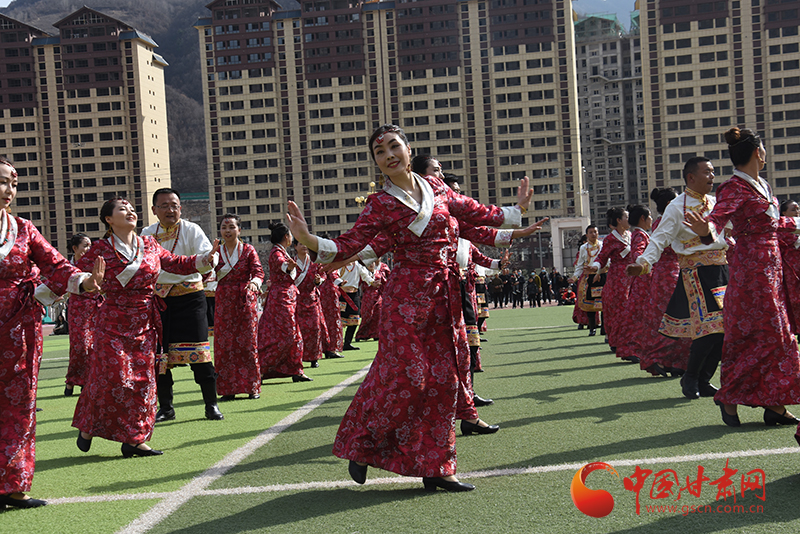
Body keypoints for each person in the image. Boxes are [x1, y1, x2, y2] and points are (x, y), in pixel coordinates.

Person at [286, 123, 534, 492]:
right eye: (380, 152)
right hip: (404, 301)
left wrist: (517, 210)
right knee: (408, 377)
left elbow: (475, 212)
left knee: (444, 381)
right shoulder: (380, 204)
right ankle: (363, 444)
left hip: (443, 299)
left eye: (393, 146)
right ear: (376, 162)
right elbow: (352, 243)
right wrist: (309, 239)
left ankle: (438, 468)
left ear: (407, 149)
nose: (388, 155)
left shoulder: (437, 187)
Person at [73, 198, 218, 457]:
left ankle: (135, 439)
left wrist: (206, 258)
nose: (130, 212)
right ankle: (88, 426)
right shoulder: (100, 249)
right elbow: (75, 276)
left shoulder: (149, 244)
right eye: (122, 209)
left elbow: (177, 263)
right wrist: (87, 281)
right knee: (113, 380)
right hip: (112, 323)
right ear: (109, 219)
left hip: (145, 324)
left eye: (132, 209)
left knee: (143, 382)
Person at [0, 158, 103, 509]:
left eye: (14, 184)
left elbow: (56, 266)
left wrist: (84, 281)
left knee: (19, 403)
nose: (10, 190)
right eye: (3, 181)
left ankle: (13, 485)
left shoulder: (23, 229)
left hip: (19, 329)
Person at [684, 127, 800, 428]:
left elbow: (772, 224)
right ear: (758, 153)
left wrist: (795, 224)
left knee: (774, 336)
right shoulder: (733, 187)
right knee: (759, 336)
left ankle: (773, 404)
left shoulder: (763, 186)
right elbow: (718, 219)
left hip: (772, 268)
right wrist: (706, 229)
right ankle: (734, 396)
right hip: (751, 272)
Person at [629, 157, 728, 399]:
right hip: (696, 273)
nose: (712, 176)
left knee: (724, 330)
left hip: (722, 271)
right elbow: (659, 239)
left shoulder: (716, 203)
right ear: (691, 177)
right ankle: (691, 377)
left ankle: (704, 379)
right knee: (708, 330)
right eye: (707, 172)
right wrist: (643, 262)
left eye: (713, 172)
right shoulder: (677, 207)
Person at [141, 188, 223, 422]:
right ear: (154, 209)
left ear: (180, 208)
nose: (170, 210)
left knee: (200, 354)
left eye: (174, 205)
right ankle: (166, 408)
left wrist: (210, 259)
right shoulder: (147, 234)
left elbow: (208, 255)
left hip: (190, 299)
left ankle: (211, 404)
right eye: (164, 206)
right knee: (159, 357)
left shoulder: (191, 229)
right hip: (159, 301)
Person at [634, 188, 692, 378]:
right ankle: (676, 361)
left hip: (660, 275)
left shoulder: (658, 223)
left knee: (660, 318)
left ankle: (663, 359)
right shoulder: (672, 220)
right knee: (679, 318)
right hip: (674, 273)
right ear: (669, 204)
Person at [214, 214, 264, 401]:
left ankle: (252, 386)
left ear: (239, 230)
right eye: (224, 227)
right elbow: (206, 273)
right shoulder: (216, 251)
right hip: (223, 302)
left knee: (247, 343)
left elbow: (258, 271)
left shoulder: (248, 250)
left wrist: (255, 283)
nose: (227, 231)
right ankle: (228, 389)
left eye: (231, 227)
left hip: (244, 300)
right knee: (224, 345)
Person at [258, 222, 311, 382]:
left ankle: (296, 370)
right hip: (281, 299)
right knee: (286, 335)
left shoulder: (281, 252)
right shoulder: (277, 253)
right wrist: (288, 268)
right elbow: (283, 265)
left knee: (294, 334)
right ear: (286, 237)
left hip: (286, 297)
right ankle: (261, 368)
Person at [591, 207, 633, 357]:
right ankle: (618, 341)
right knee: (620, 309)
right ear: (619, 220)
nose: (629, 219)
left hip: (631, 276)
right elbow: (602, 257)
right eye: (626, 217)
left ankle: (627, 341)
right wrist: (595, 267)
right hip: (617, 279)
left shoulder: (630, 235)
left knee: (630, 308)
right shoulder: (610, 239)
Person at [64, 233, 102, 396]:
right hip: (77, 308)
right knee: (79, 346)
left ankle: (89, 381)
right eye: (85, 246)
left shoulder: (96, 264)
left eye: (90, 246)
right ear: (75, 248)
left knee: (95, 345)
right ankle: (72, 380)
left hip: (96, 307)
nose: (88, 249)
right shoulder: (67, 266)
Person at [614, 204, 652, 363]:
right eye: (649, 216)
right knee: (637, 315)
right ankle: (631, 348)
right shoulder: (640, 236)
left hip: (641, 279)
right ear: (643, 218)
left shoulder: (638, 234)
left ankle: (632, 348)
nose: (651, 220)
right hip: (642, 280)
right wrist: (642, 263)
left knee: (636, 314)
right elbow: (638, 253)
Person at [294, 240, 327, 369]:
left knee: (314, 328)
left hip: (312, 299)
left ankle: (314, 358)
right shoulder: (291, 262)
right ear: (295, 246)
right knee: (298, 330)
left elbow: (323, 274)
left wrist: (319, 280)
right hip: (296, 300)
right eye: (301, 244)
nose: (304, 246)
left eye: (305, 244)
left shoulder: (315, 262)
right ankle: (299, 357)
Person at [572, 225, 604, 335]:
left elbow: (607, 261)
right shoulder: (583, 248)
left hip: (602, 275)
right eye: (591, 232)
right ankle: (592, 327)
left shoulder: (603, 245)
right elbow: (580, 264)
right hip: (589, 277)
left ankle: (604, 328)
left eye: (595, 232)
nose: (593, 234)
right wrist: (575, 277)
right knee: (590, 303)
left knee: (604, 302)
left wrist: (599, 272)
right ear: (587, 235)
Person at [778, 200, 800, 336]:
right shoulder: (781, 231)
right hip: (790, 273)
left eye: (798, 209)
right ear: (784, 213)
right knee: (794, 301)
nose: (797, 212)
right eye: (793, 209)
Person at [355, 258, 388, 341]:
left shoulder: (379, 273)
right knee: (367, 316)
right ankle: (361, 334)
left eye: (372, 263)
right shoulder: (363, 273)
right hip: (367, 297)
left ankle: (376, 334)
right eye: (369, 263)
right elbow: (357, 284)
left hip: (378, 297)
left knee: (377, 315)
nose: (371, 264)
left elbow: (385, 284)